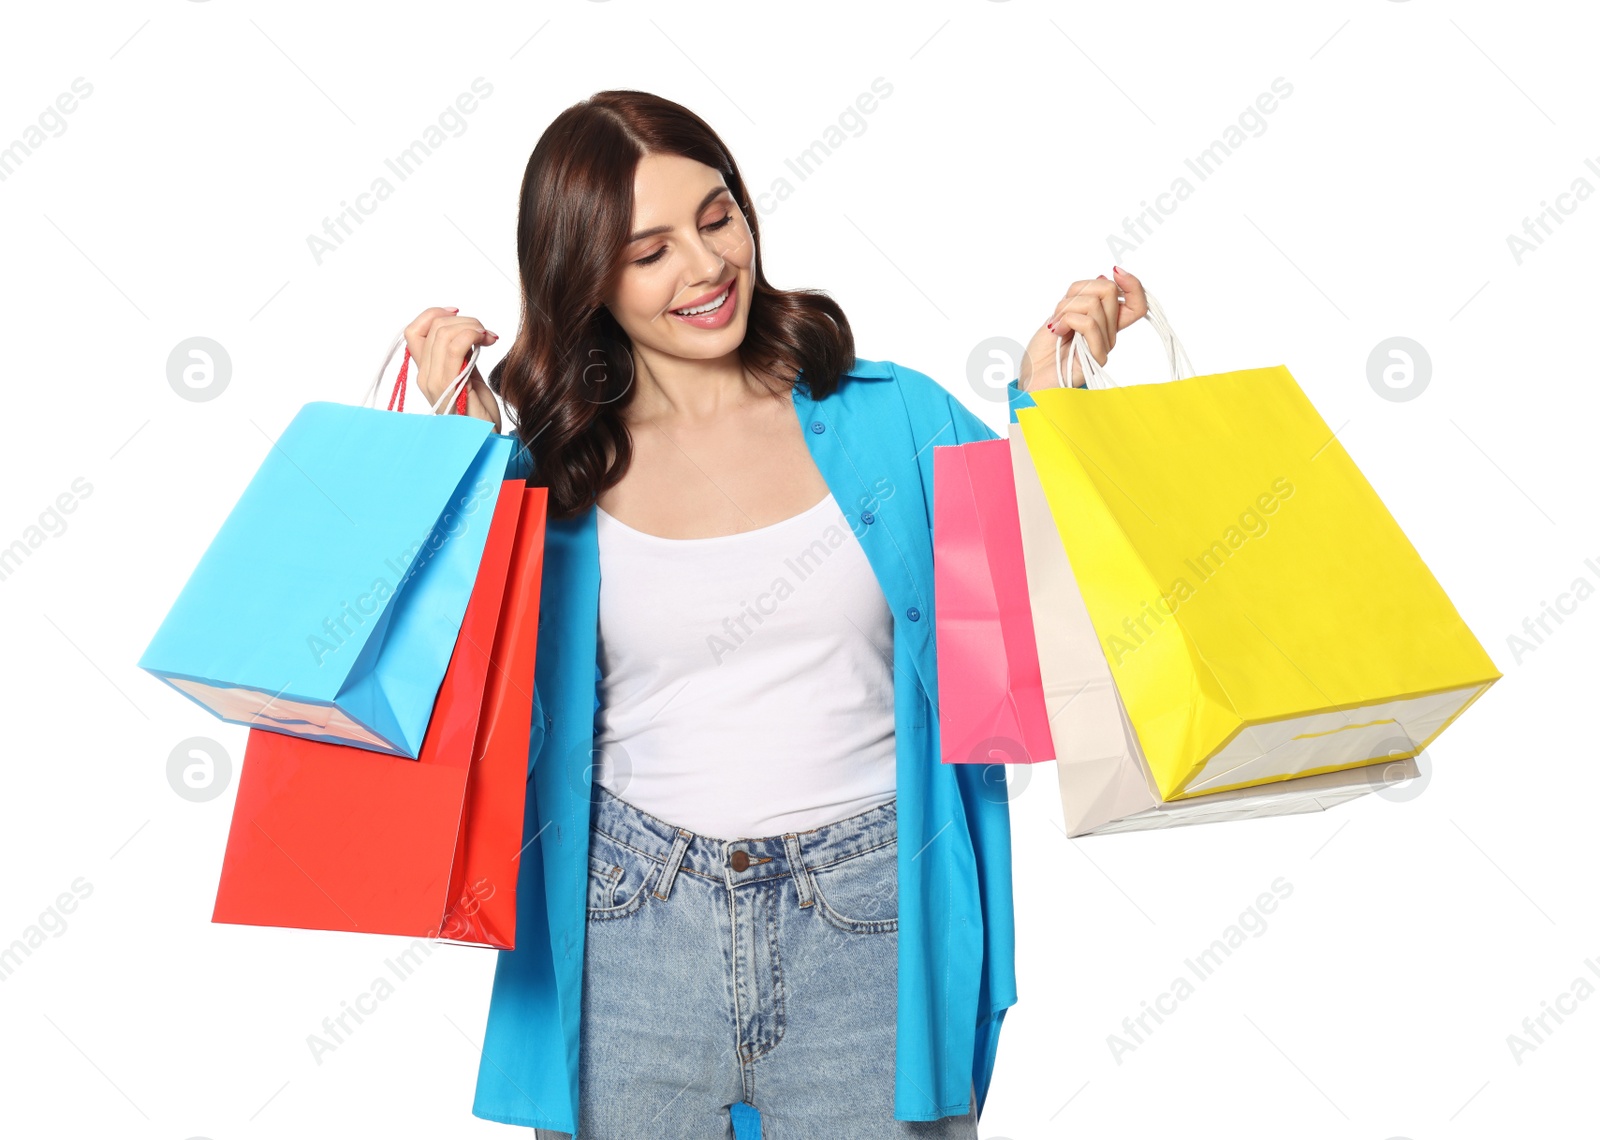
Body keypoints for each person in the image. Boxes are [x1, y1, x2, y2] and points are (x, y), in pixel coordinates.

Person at [404, 89, 1148, 1140]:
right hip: (625, 925)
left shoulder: (895, 420)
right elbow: (454, 697)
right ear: (586, 281)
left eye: (716, 218)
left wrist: (1049, 413)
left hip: (869, 917)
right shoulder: (551, 473)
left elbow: (1034, 657)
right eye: (648, 250)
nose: (706, 268)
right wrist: (456, 461)